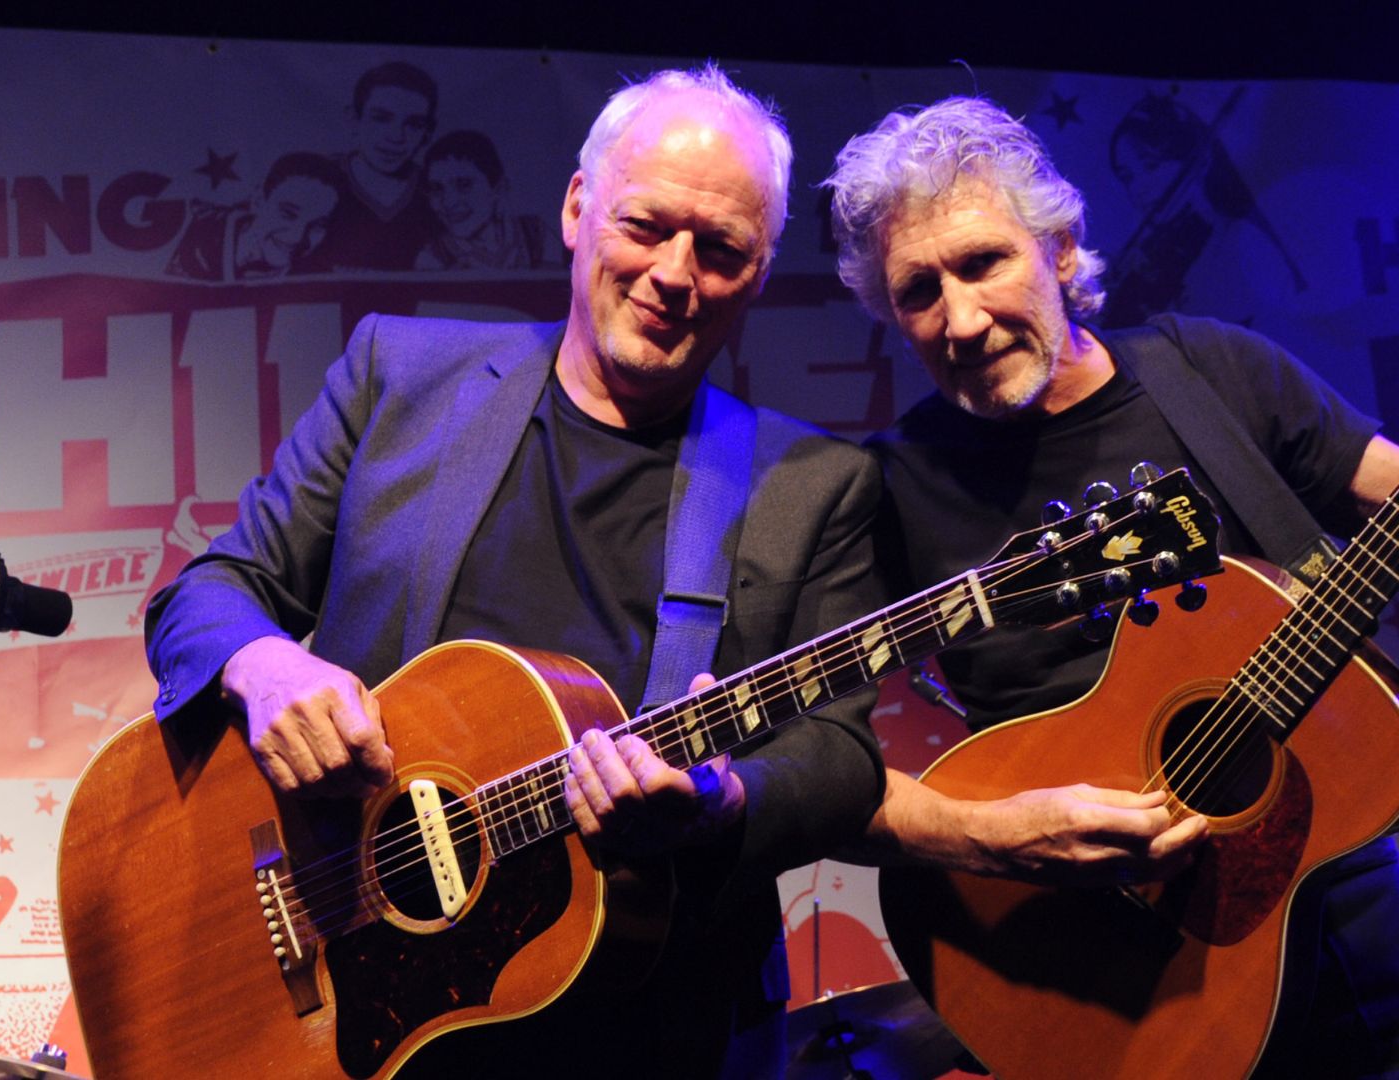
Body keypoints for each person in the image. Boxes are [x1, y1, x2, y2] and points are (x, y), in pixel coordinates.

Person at [824, 97, 1399, 1078]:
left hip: (1330, 929)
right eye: (917, 291)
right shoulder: (891, 484)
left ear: (1061, 248)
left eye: (983, 263)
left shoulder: (1214, 377)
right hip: (1083, 967)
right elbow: (806, 774)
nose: (959, 318)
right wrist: (989, 835)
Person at [145, 65, 885, 1078]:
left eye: (721, 250)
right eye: (647, 225)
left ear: (758, 274)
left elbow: (841, 760)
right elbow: (209, 592)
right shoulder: (398, 375)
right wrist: (266, 669)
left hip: (641, 1029)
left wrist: (721, 801)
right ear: (578, 209)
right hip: (355, 990)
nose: (676, 274)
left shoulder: (811, 484)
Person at [310, 60, 444, 271]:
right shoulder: (315, 179)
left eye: (414, 124)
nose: (396, 136)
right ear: (354, 118)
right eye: (381, 118)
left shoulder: (439, 191)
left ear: (427, 133)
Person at [164, 151, 342, 281]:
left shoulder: (320, 282)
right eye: (288, 213)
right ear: (258, 199)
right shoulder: (181, 237)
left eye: (318, 225)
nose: (297, 237)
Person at [415, 128, 550, 270]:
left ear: (498, 188)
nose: (448, 202)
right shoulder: (432, 258)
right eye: (437, 189)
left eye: (464, 185)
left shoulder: (537, 234)